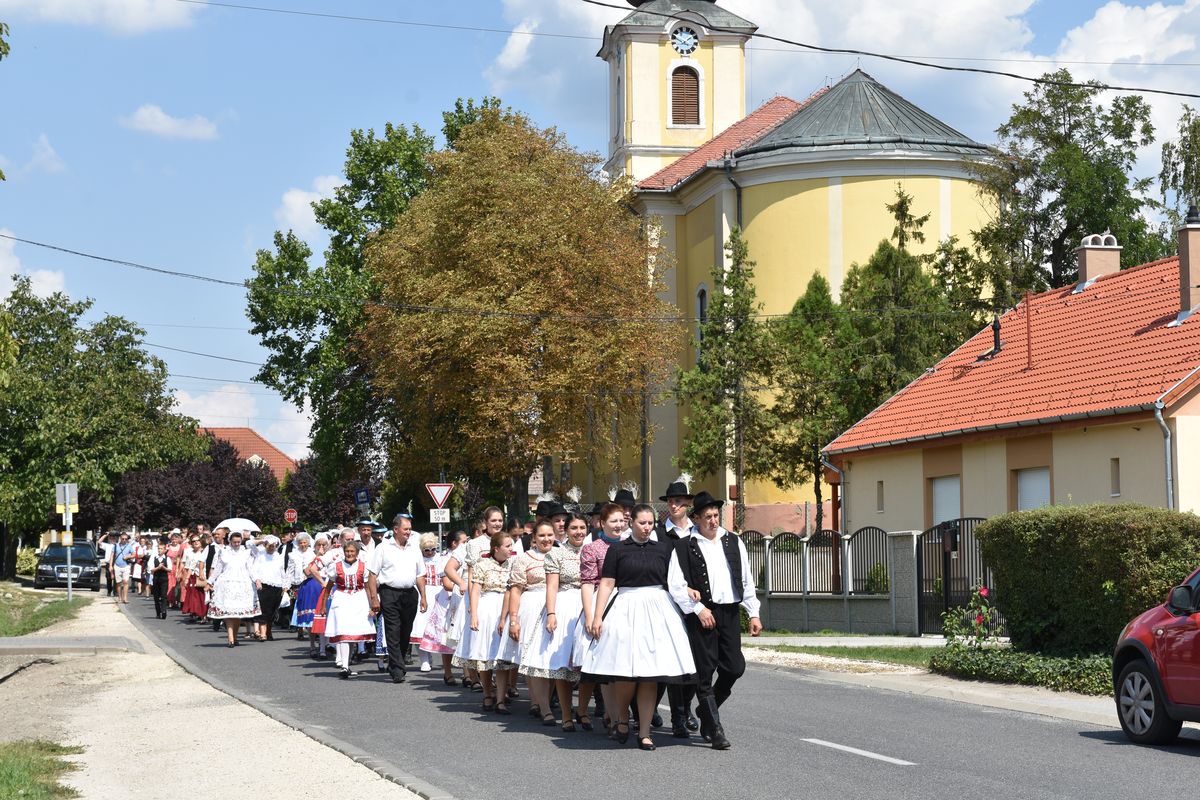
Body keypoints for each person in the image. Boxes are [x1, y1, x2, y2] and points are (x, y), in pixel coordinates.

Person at [583, 503, 696, 752]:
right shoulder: (618, 550)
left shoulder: (664, 549)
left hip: (658, 612)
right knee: (625, 674)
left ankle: (645, 732)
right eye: (642, 523)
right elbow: (607, 584)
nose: (646, 527)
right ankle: (623, 718)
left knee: (649, 677)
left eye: (650, 523)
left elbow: (676, 582)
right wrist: (597, 616)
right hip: (625, 609)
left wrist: (693, 604)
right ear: (631, 522)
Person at [667, 491, 763, 751]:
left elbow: (746, 579)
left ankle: (705, 711)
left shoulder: (733, 541)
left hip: (729, 612)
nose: (713, 520)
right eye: (707, 516)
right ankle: (715, 729)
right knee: (705, 672)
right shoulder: (684, 546)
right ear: (696, 518)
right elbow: (676, 585)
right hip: (703, 614)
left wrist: (753, 612)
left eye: (716, 515)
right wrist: (698, 609)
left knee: (734, 668)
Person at [521, 512, 588, 731]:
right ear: (566, 531)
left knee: (588, 666)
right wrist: (551, 613)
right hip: (565, 606)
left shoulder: (592, 550)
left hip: (589, 605)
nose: (578, 532)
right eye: (574, 528)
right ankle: (566, 715)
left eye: (582, 528)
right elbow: (552, 586)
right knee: (563, 664)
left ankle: (583, 711)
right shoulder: (556, 554)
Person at [574, 503, 625, 731]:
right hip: (602, 602)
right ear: (602, 524)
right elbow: (587, 584)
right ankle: (608, 715)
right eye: (613, 521)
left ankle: (616, 715)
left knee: (621, 665)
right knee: (603, 665)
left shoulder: (630, 544)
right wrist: (590, 615)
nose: (618, 525)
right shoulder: (592, 549)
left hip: (627, 604)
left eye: (621, 520)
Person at [655, 478, 700, 737]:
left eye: (679, 501)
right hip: (669, 603)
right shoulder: (660, 533)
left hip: (697, 603)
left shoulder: (697, 532)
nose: (674, 505)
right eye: (671, 501)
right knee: (672, 662)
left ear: (688, 504)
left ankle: (688, 708)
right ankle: (678, 718)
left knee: (695, 660)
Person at [455, 530, 514, 713]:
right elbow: (475, 591)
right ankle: (488, 694)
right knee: (486, 655)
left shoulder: (513, 564)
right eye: (507, 546)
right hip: (487, 609)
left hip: (506, 608)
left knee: (502, 658)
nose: (511, 549)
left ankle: (501, 698)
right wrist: (474, 615)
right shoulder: (482, 564)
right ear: (496, 548)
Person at [366, 514, 427, 684]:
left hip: (410, 594)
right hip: (389, 593)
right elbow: (372, 575)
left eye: (410, 529)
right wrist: (374, 599)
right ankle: (398, 669)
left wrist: (423, 596)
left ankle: (395, 663)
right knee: (393, 630)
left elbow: (420, 575)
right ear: (396, 529)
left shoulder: (414, 549)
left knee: (406, 631)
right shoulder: (383, 548)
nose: (408, 532)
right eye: (405, 529)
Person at [504, 521, 554, 723]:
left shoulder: (561, 555)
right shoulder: (524, 559)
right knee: (533, 658)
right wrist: (513, 620)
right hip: (532, 608)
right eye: (542, 535)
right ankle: (541, 705)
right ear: (534, 538)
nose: (546, 539)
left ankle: (542, 701)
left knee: (551, 660)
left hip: (555, 608)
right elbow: (516, 590)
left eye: (549, 535)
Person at [324, 540, 377, 679]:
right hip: (341, 599)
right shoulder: (336, 566)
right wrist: (323, 605)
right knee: (343, 633)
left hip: (359, 600)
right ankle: (344, 666)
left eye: (352, 551)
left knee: (353, 634)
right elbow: (328, 587)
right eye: (347, 551)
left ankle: (347, 664)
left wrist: (372, 605)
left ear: (357, 553)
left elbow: (367, 587)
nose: (349, 554)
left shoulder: (363, 567)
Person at [420, 531, 467, 685]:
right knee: (446, 638)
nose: (467, 544)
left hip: (464, 598)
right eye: (463, 541)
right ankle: (448, 672)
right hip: (448, 600)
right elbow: (446, 584)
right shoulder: (444, 559)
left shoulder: (468, 555)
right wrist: (464, 587)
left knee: (465, 636)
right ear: (454, 543)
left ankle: (467, 673)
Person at [207, 531, 261, 647]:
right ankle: (230, 637)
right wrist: (210, 581)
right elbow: (218, 569)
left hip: (242, 584)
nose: (237, 544)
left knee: (237, 614)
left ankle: (235, 636)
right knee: (229, 613)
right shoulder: (224, 552)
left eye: (238, 542)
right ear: (230, 541)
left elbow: (251, 568)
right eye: (234, 542)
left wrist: (256, 579)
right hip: (227, 584)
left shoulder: (246, 552)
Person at [412, 533, 442, 673]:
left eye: (433, 549)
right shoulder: (417, 560)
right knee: (420, 628)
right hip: (422, 593)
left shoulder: (442, 559)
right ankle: (424, 660)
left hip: (439, 593)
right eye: (427, 550)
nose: (430, 552)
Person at [252, 535, 288, 641]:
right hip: (263, 584)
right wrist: (257, 580)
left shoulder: (278, 556)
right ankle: (263, 633)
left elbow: (282, 571)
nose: (271, 548)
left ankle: (269, 631)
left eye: (273, 546)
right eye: (269, 546)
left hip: (277, 585)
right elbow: (249, 544)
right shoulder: (260, 554)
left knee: (273, 610)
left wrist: (285, 585)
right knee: (264, 609)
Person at [181, 535, 209, 622]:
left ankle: (204, 615)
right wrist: (186, 578)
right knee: (195, 596)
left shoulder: (205, 552)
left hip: (205, 576)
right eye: (194, 541)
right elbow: (191, 567)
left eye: (198, 540)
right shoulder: (191, 553)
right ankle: (197, 613)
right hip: (195, 577)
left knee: (204, 597)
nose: (196, 542)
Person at [112, 532, 136, 604]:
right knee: (118, 583)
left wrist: (128, 557)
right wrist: (110, 565)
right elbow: (112, 556)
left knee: (125, 582)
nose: (124, 540)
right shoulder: (116, 546)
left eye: (126, 539)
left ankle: (125, 598)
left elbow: (134, 554)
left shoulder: (129, 546)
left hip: (126, 566)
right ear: (120, 538)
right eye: (123, 539)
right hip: (117, 566)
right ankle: (119, 597)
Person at [149, 540, 170, 619]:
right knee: (156, 597)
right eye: (159, 548)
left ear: (164, 550)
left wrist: (163, 567)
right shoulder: (154, 558)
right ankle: (158, 612)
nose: (159, 550)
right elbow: (151, 569)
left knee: (164, 595)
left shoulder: (167, 558)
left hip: (164, 578)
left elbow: (170, 569)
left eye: (161, 549)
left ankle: (164, 611)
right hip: (156, 578)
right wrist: (158, 567)